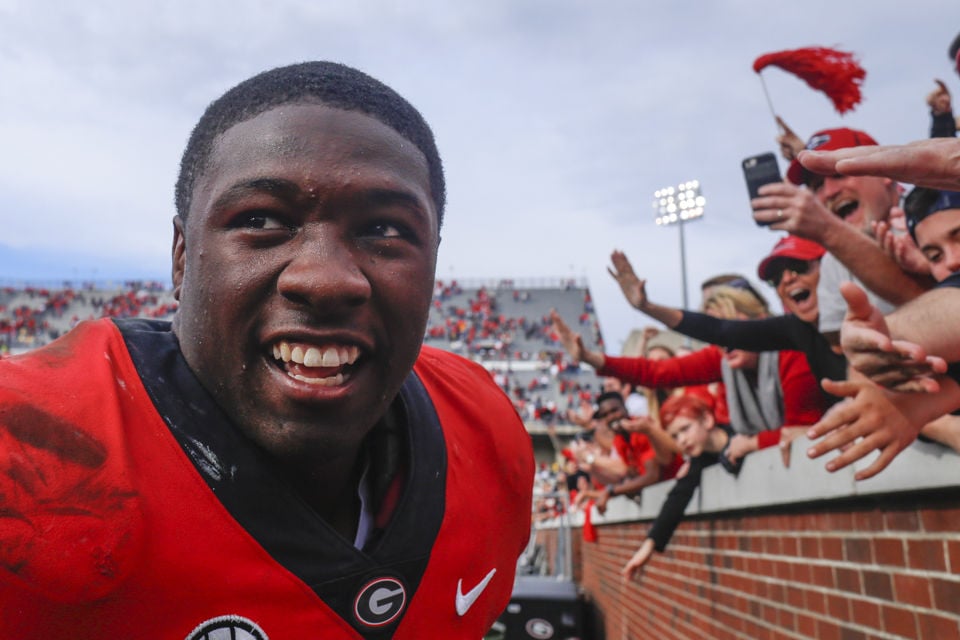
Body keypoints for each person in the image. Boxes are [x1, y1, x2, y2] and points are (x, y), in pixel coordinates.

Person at [0, 62, 534, 638]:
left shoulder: (486, 434)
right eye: (261, 219)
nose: (327, 280)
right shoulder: (28, 447)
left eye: (385, 230)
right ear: (181, 257)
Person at [551, 283, 825, 470]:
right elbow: (657, 373)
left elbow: (804, 429)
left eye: (732, 328)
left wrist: (753, 442)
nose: (725, 340)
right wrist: (591, 358)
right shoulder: (723, 358)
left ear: (761, 322)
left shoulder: (792, 353)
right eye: (717, 334)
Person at [751, 127, 934, 343]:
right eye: (817, 185)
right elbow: (841, 347)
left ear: (885, 172)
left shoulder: (936, 213)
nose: (829, 192)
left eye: (839, 173)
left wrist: (830, 231)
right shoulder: (832, 260)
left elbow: (945, 308)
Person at [621, 394, 737, 580]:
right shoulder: (699, 461)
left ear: (707, 420)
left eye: (685, 429)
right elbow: (677, 497)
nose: (681, 440)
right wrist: (648, 547)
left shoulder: (741, 431)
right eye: (675, 436)